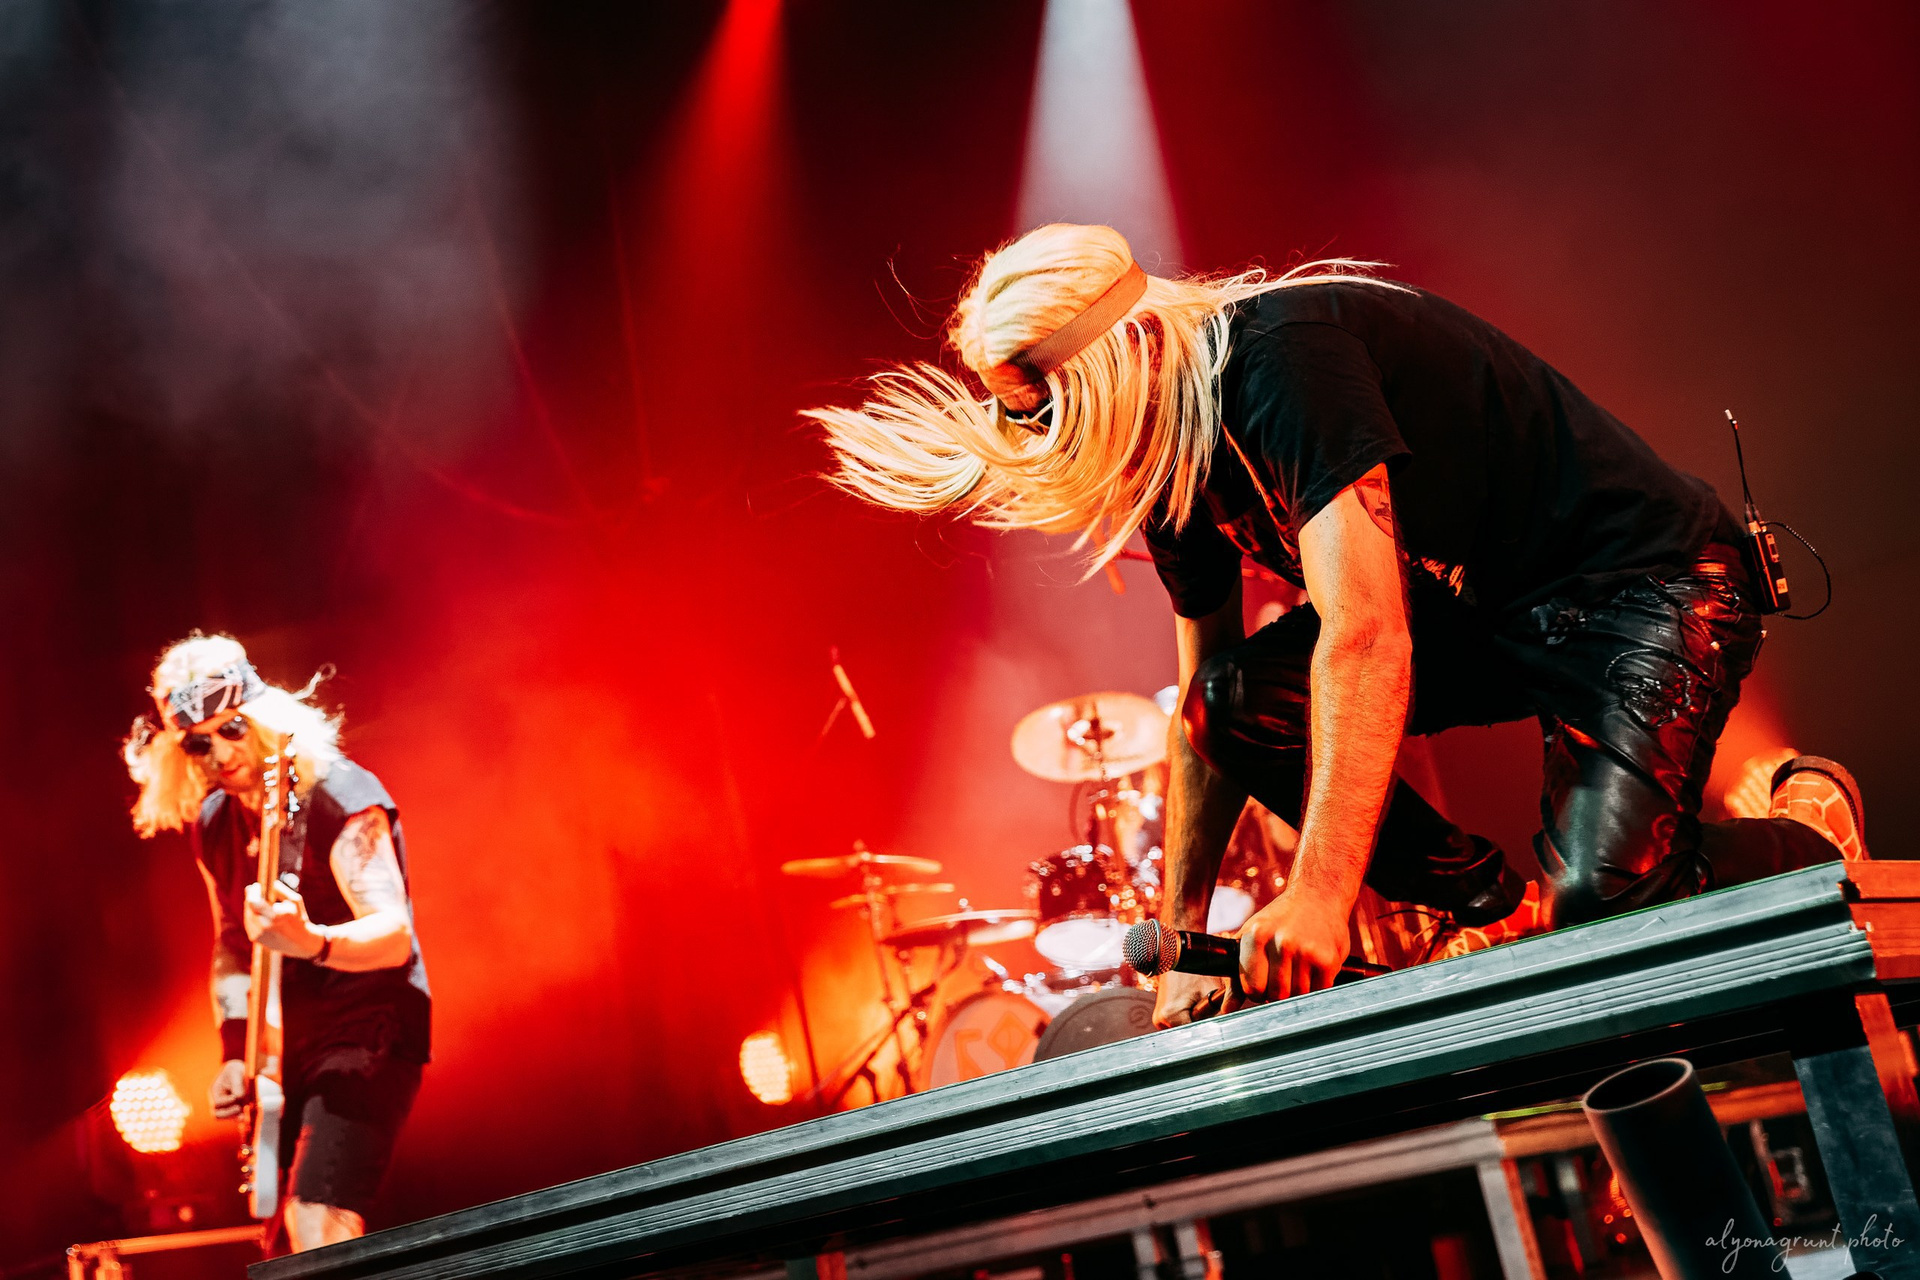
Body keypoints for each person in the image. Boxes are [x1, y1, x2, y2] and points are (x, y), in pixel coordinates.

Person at [808, 222, 1866, 1029]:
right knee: (1231, 703)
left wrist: (1317, 895)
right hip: (1487, 612)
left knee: (1605, 905)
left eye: (1052, 410)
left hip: (1645, 582)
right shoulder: (1171, 460)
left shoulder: (1284, 360)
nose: (1055, 439)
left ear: (1129, 347)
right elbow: (1207, 713)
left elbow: (1364, 634)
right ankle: (1488, 902)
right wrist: (1183, 941)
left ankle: (1807, 827)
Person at [124, 634, 430, 1251]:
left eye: (232, 729)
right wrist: (235, 1052)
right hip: (286, 1046)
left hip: (368, 1024)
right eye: (199, 742)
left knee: (318, 1217)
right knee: (282, 1245)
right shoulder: (215, 821)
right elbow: (232, 943)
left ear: (263, 715)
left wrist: (311, 941)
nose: (220, 752)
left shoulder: (338, 795)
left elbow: (394, 935)